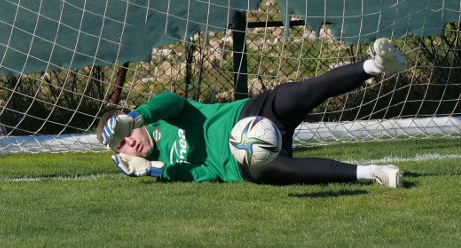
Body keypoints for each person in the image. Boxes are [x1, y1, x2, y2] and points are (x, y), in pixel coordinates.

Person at [97, 38, 410, 187]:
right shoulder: (164, 165)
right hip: (245, 163)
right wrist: (153, 169)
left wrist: (137, 116)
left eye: (125, 136)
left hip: (250, 115)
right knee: (274, 171)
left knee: (295, 93)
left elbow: (172, 100)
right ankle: (371, 173)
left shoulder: (163, 117)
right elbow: (207, 174)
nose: (130, 144)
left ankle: (375, 65)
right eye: (121, 147)